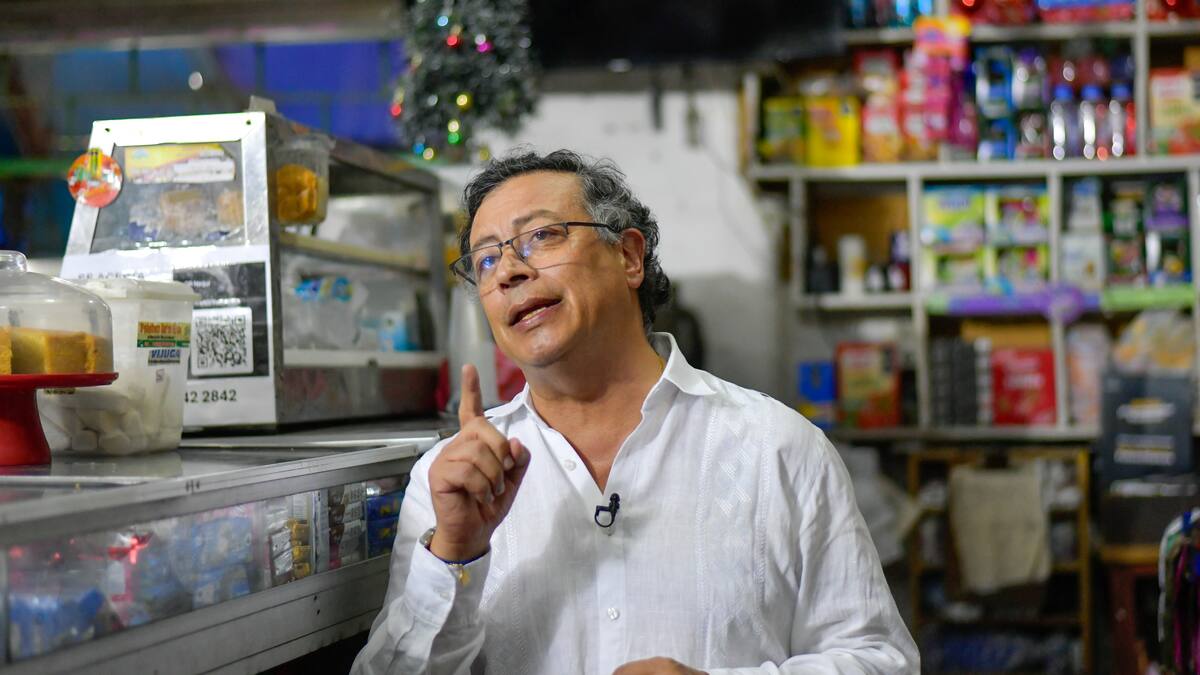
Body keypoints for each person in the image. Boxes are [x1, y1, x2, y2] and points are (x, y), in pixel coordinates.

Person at [351, 150, 919, 675]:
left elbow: (881, 661)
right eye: (486, 259)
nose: (507, 273)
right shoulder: (450, 483)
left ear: (628, 256)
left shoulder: (776, 448)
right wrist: (454, 552)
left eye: (541, 236)